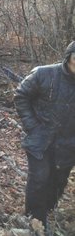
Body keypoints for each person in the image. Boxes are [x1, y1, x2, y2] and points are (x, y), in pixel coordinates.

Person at [14, 41, 75, 227]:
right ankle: (35, 221)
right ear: (69, 55)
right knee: (39, 178)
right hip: (41, 139)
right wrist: (32, 126)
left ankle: (47, 211)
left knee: (58, 180)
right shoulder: (43, 73)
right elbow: (21, 96)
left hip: (69, 143)